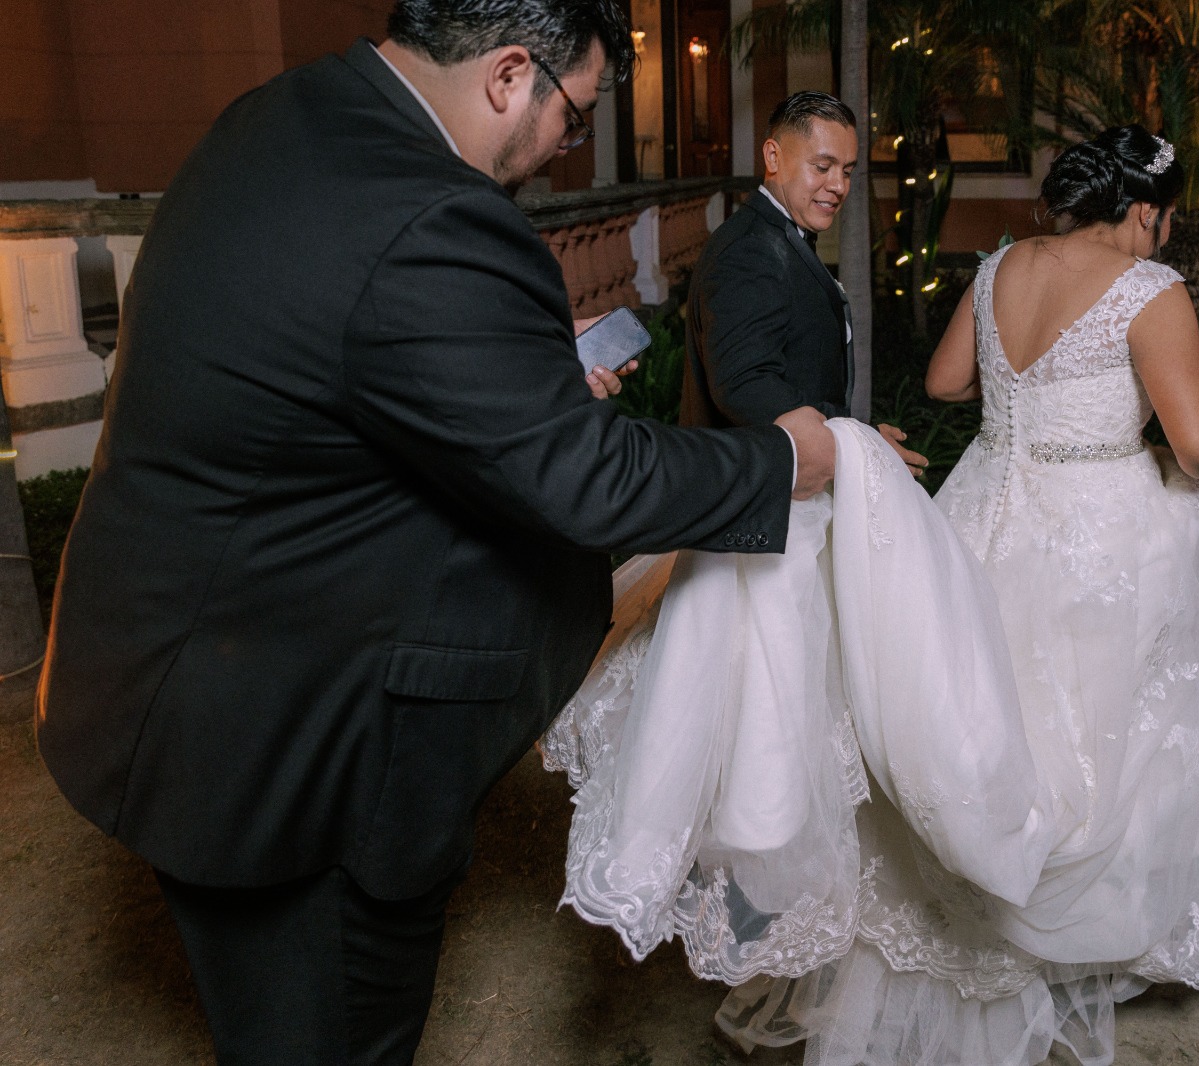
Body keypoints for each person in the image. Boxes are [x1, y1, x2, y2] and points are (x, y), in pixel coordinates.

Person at [33, 2, 835, 1063]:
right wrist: (783, 459)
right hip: (290, 744)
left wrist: (513, 375)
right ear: (509, 74)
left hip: (179, 670)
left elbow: (342, 342)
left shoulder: (287, 113)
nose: (565, 148)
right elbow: (589, 480)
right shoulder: (434, 216)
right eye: (573, 117)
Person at [554, 125, 1199, 1066]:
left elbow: (945, 380)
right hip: (1100, 529)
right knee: (1098, 723)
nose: (1162, 236)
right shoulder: (1149, 289)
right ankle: (1072, 918)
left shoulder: (1000, 265)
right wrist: (1152, 447)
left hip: (979, 514)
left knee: (967, 714)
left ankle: (957, 890)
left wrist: (1027, 404)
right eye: (1164, 220)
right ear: (1144, 211)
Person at [681, 90, 927, 474]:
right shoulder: (750, 250)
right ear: (773, 157)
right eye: (823, 167)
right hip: (761, 489)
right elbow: (745, 385)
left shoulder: (777, 237)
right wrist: (857, 445)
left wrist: (857, 437)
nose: (839, 185)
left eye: (847, 171)